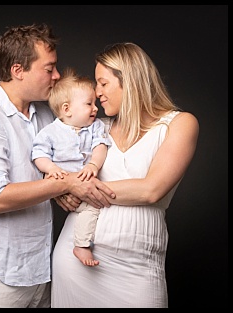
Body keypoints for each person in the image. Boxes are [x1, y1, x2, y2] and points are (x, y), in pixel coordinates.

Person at [0, 23, 114, 308]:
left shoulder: (45, 115)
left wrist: (59, 191)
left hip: (43, 268)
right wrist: (65, 184)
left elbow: (46, 173)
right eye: (49, 68)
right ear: (18, 70)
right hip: (2, 274)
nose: (56, 76)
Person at [51, 42, 198, 308]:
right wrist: (63, 189)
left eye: (103, 84)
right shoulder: (95, 128)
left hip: (137, 267)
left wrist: (81, 188)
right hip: (75, 260)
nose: (97, 93)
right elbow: (59, 165)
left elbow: (151, 190)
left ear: (129, 81)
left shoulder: (179, 124)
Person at [31, 68, 110, 267]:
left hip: (84, 181)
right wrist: (50, 169)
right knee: (91, 208)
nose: (95, 108)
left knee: (91, 208)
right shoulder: (50, 132)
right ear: (67, 109)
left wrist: (93, 164)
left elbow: (100, 146)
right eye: (89, 104)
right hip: (61, 181)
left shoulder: (95, 126)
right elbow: (38, 154)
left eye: (94, 103)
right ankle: (81, 245)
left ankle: (82, 242)